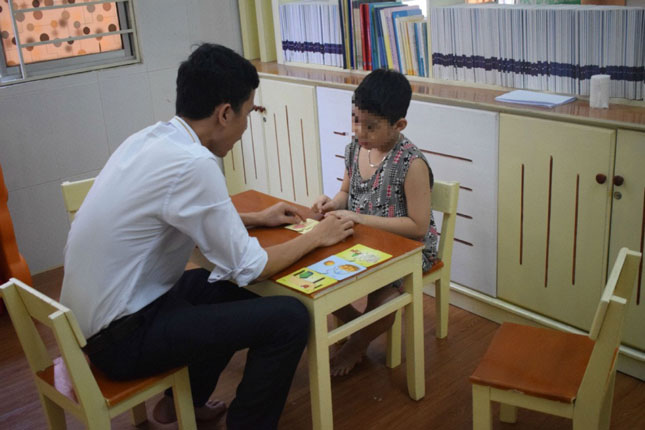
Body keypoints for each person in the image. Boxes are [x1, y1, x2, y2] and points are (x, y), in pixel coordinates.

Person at [60, 43, 354, 430]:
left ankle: (182, 405)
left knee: (217, 286)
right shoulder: (195, 163)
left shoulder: (153, 138)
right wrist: (320, 236)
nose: (246, 126)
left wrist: (254, 218)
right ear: (225, 113)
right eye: (248, 113)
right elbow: (250, 267)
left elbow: (185, 220)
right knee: (288, 317)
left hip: (95, 323)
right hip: (120, 341)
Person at [312, 68, 438, 377]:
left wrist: (358, 217)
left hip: (407, 249)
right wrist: (332, 203)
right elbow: (345, 192)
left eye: (371, 126)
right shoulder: (356, 149)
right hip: (363, 239)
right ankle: (358, 326)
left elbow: (419, 226)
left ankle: (356, 344)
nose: (359, 131)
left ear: (399, 125)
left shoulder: (411, 163)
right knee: (318, 279)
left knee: (386, 298)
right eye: (355, 119)